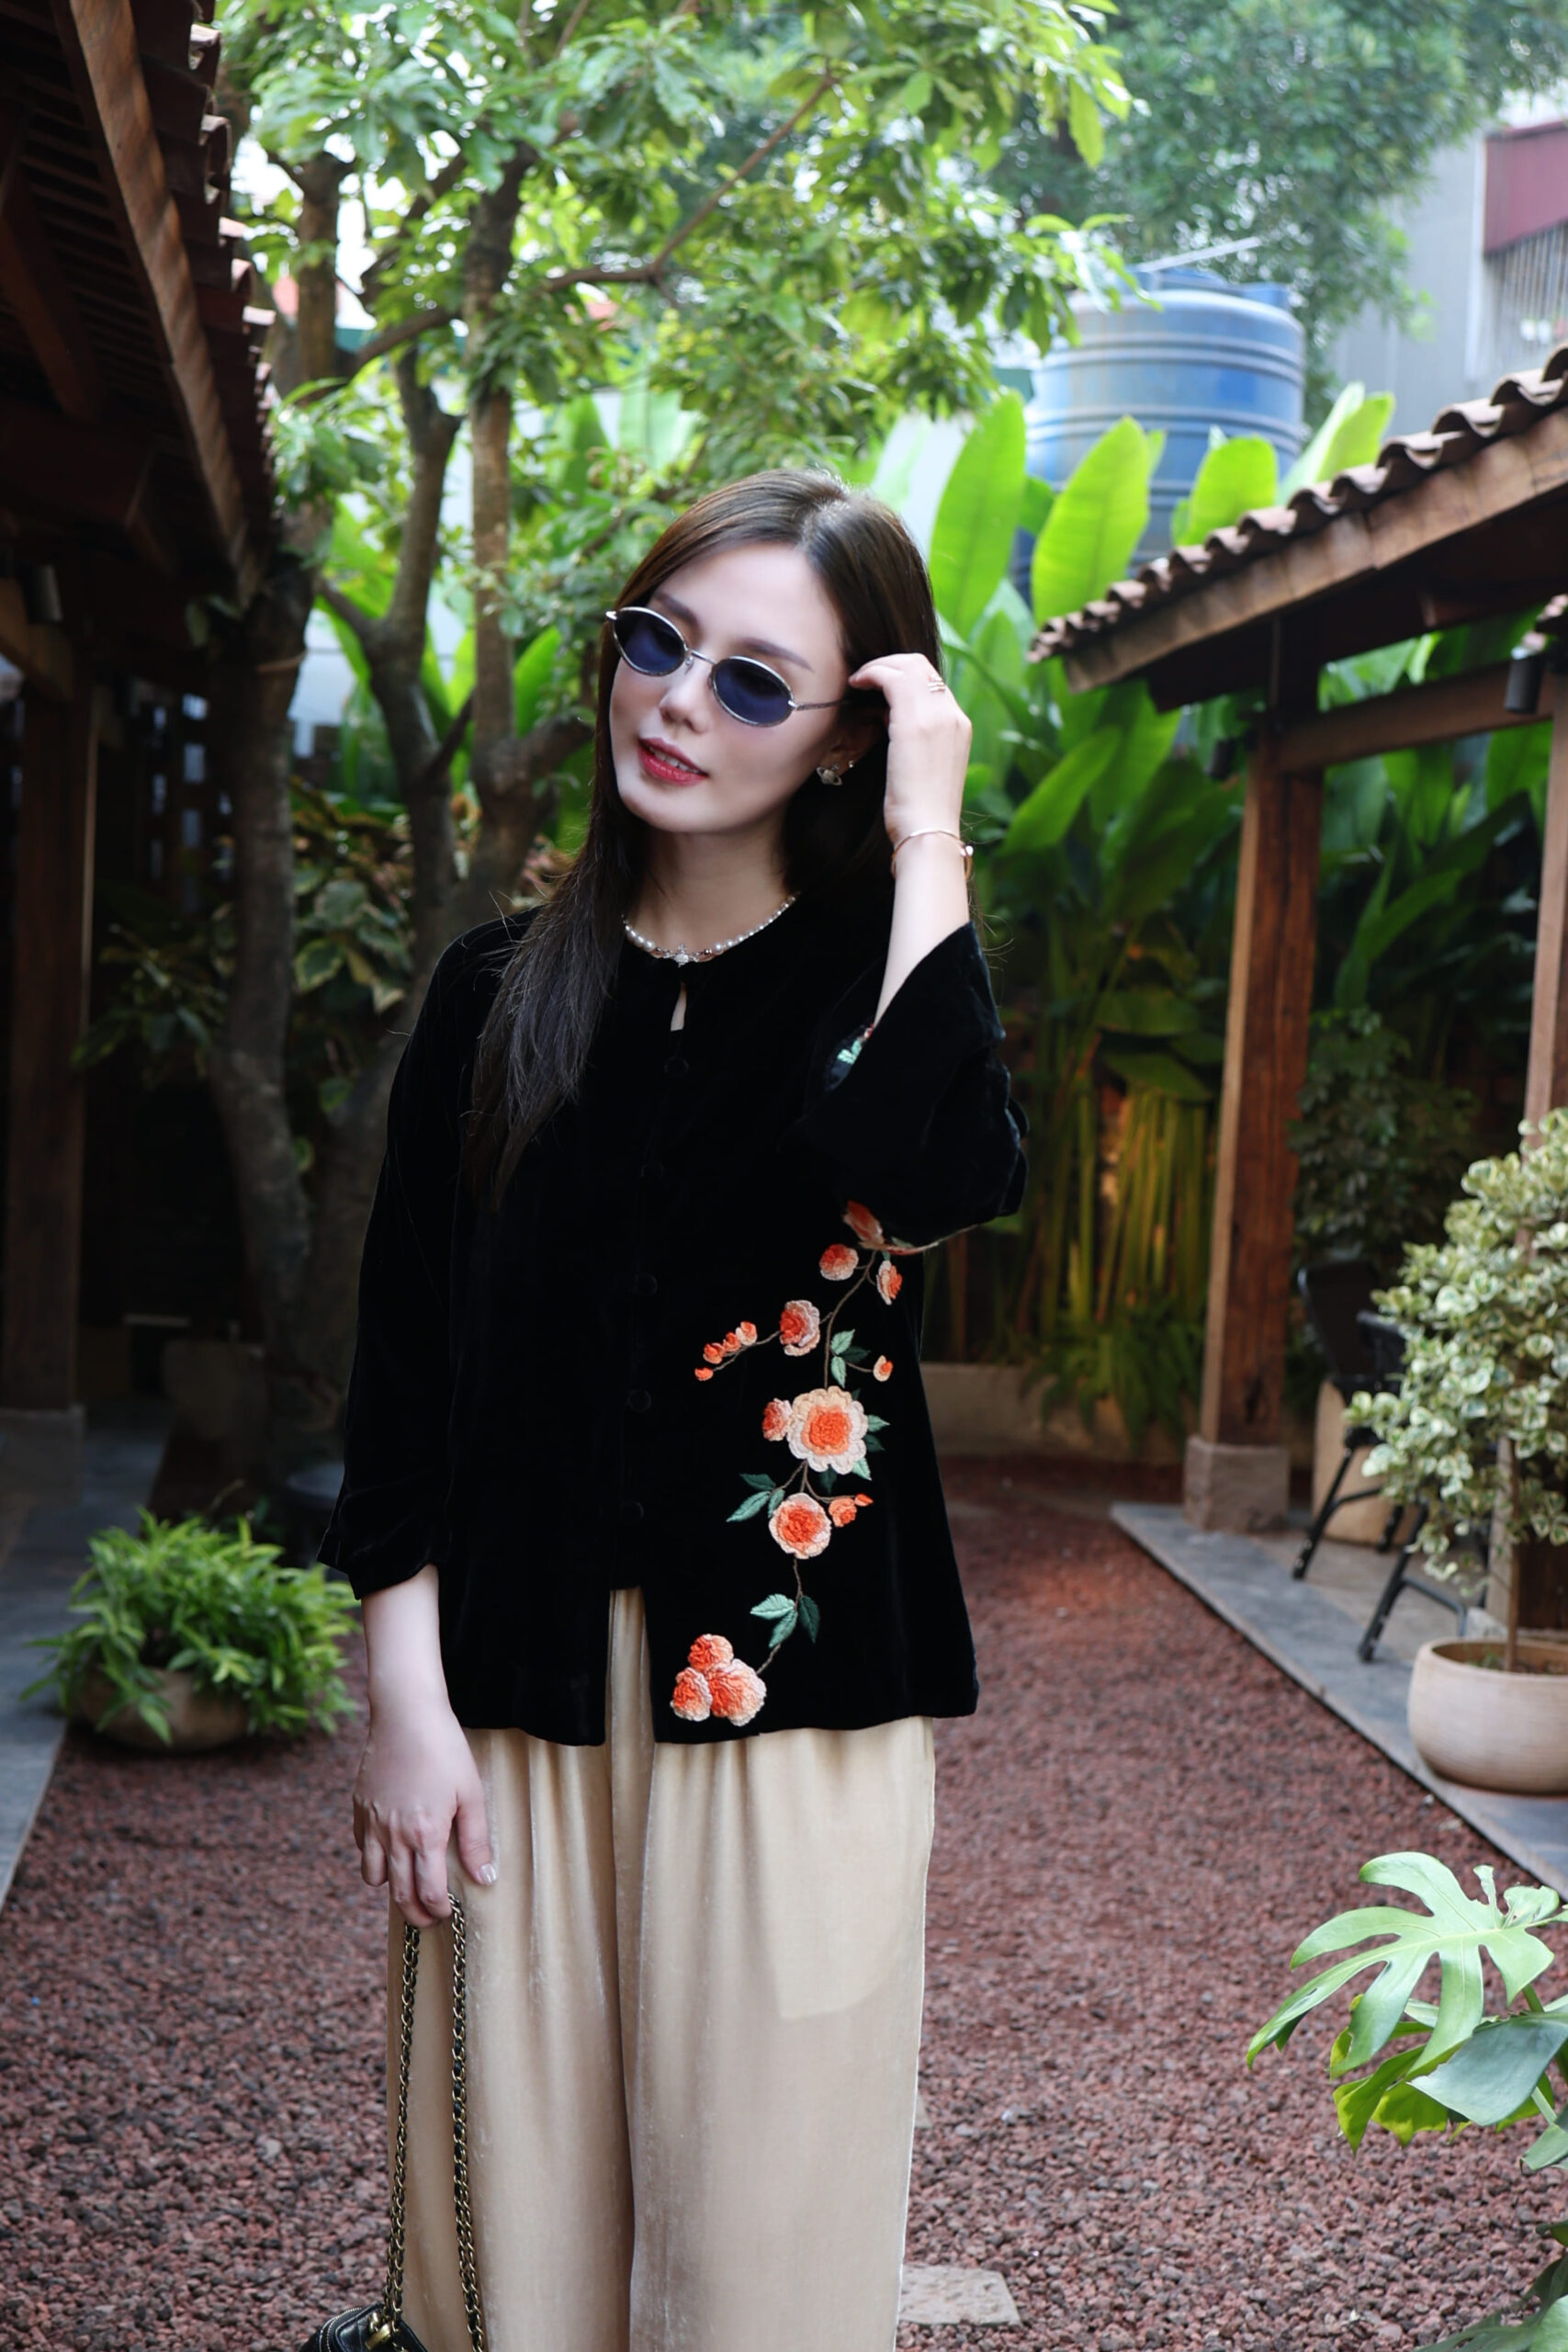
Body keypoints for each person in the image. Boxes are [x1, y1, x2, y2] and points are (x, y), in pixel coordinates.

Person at [320, 468, 1026, 2352]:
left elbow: (941, 1166)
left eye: (752, 681)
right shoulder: (495, 996)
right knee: (506, 2253)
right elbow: (404, 1370)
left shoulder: (880, 986)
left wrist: (928, 823)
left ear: (841, 735)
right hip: (512, 1694)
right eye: (659, 642)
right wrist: (403, 1697)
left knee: (760, 2264)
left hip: (796, 1701)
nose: (678, 702)